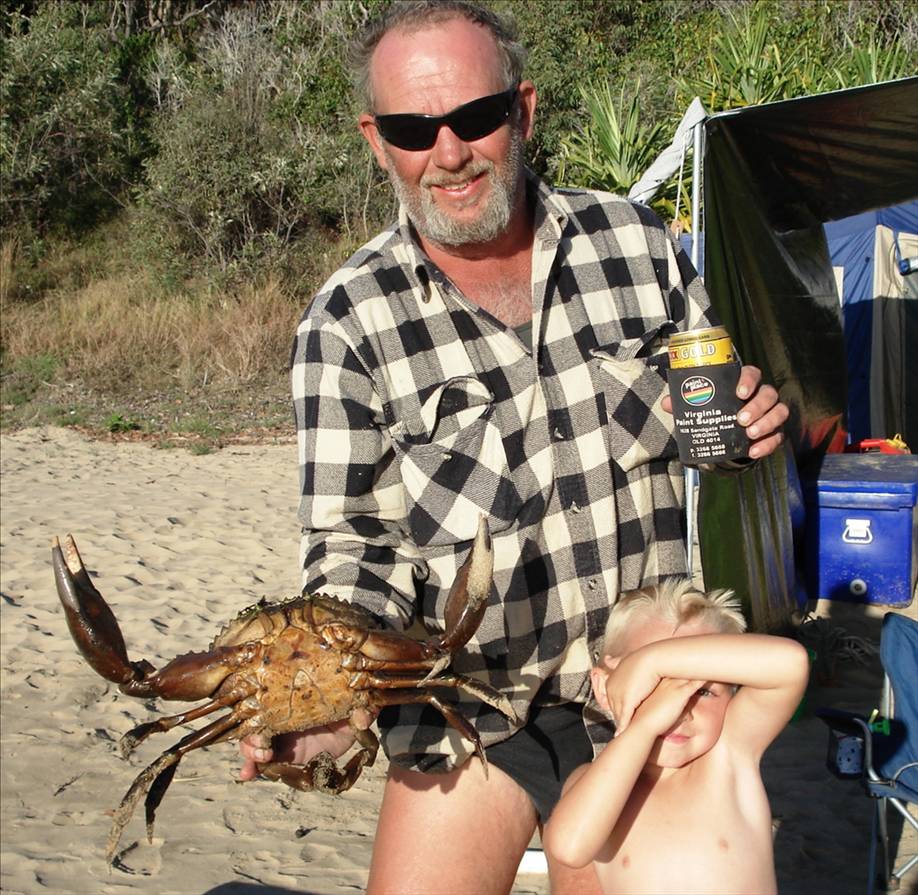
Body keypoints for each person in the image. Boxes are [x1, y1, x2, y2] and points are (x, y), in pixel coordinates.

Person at [239, 2, 790, 892]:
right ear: (377, 141)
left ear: (522, 110)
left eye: (476, 116)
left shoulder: (638, 245)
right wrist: (336, 694)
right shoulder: (348, 322)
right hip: (467, 699)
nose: (449, 152)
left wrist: (744, 431)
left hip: (637, 690)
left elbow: (710, 420)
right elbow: (352, 542)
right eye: (414, 129)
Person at [542, 580, 810, 894]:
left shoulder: (728, 757)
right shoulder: (593, 781)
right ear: (604, 687)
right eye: (656, 686)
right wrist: (644, 727)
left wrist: (651, 662)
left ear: (732, 695)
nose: (677, 710)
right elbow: (570, 847)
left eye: (703, 691)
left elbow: (792, 663)